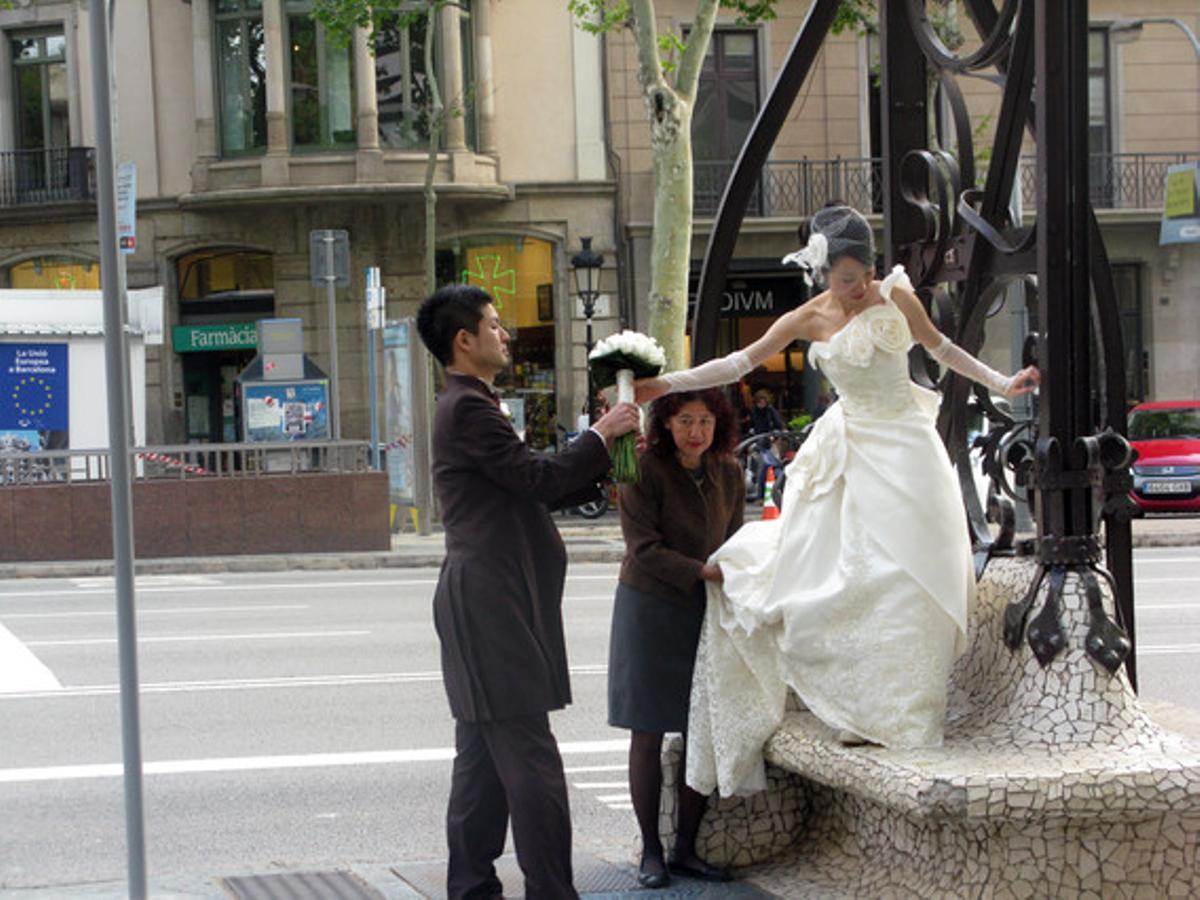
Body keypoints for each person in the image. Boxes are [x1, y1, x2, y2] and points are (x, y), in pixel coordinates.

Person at [635, 206, 1039, 797]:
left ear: (872, 268)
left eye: (858, 278)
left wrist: (1003, 383)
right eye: (840, 279)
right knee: (848, 577)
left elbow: (943, 349)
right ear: (824, 273)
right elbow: (737, 363)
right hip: (849, 449)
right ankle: (861, 709)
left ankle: (909, 713)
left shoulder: (897, 296)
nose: (851, 291)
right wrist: (664, 384)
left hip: (906, 444)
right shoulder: (810, 314)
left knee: (914, 575)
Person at [416, 284, 640, 899]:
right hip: (489, 602)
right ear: (464, 340)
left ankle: (472, 888)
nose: (504, 334)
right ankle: (550, 891)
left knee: (481, 764)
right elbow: (534, 477)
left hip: (490, 596)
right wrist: (599, 435)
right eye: (494, 325)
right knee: (531, 760)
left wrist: (605, 455)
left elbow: (528, 487)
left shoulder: (471, 402)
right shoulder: (467, 406)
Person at [608, 388, 745, 888]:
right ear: (665, 423)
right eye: (685, 420)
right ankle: (650, 851)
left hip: (705, 608)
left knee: (698, 732)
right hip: (649, 606)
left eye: (705, 421)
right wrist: (702, 570)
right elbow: (642, 548)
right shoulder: (642, 469)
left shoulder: (729, 470)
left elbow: (734, 539)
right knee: (646, 731)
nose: (696, 432)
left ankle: (685, 847)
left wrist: (734, 570)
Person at [746, 388, 785, 501]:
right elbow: (751, 427)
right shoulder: (754, 411)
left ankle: (763, 493)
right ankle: (761, 492)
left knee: (767, 466)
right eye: (759, 401)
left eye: (763, 401)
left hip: (769, 441)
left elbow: (777, 425)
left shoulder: (770, 411)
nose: (761, 404)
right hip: (759, 441)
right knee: (761, 467)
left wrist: (774, 436)